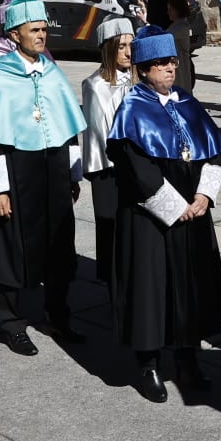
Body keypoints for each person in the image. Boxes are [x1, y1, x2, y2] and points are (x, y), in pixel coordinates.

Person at [107, 25, 221, 402]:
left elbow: (214, 151)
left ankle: (188, 358)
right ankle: (149, 364)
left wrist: (204, 196)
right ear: (143, 68)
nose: (169, 69)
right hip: (152, 215)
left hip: (194, 209)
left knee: (191, 287)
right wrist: (173, 207)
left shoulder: (187, 102)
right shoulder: (132, 107)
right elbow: (134, 165)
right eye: (160, 63)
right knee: (152, 289)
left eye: (172, 61)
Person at [0, 0, 86, 356]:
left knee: (59, 247)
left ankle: (57, 314)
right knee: (11, 246)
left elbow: (68, 128)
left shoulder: (51, 71)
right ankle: (12, 323)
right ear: (15, 35)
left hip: (52, 172)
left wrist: (73, 174)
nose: (42, 36)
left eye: (44, 29)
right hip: (17, 173)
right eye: (34, 30)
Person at [81, 17, 138, 293]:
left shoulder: (139, 80)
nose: (128, 52)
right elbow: (98, 132)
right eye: (121, 47)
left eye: (131, 45)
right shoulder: (95, 85)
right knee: (111, 225)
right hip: (110, 167)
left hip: (138, 166)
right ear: (108, 49)